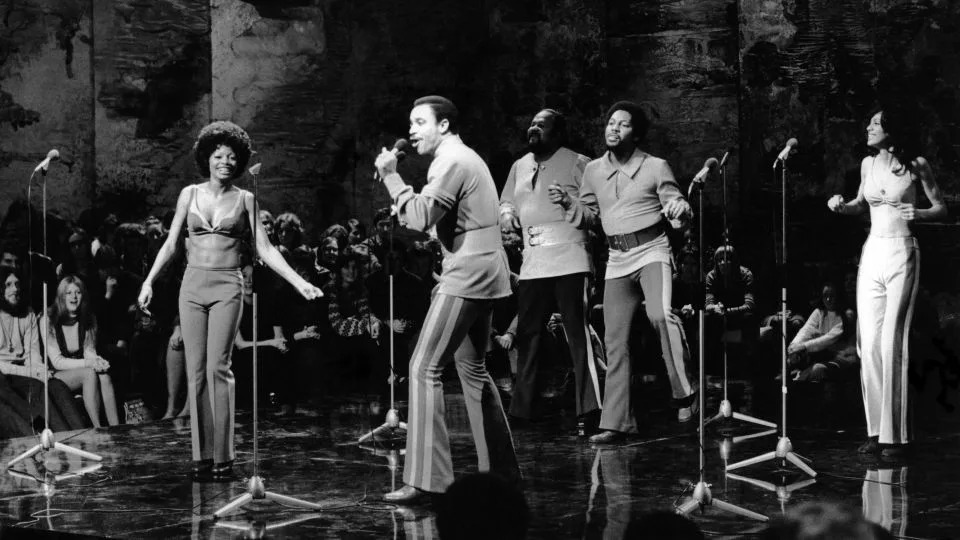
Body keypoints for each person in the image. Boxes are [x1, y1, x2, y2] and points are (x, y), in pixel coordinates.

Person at [137, 120, 322, 482]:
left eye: (231, 157)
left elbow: (265, 249)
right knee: (196, 370)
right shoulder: (189, 194)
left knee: (219, 368)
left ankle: (223, 456)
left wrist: (299, 281)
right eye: (218, 155)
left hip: (227, 286)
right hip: (191, 287)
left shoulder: (245, 199)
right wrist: (148, 282)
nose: (225, 161)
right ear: (206, 157)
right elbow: (172, 244)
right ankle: (201, 456)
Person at [374, 95, 519, 503]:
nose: (411, 130)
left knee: (423, 367)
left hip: (470, 272)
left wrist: (391, 177)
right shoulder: (462, 158)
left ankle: (426, 480)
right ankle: (501, 473)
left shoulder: (453, 160)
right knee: (472, 370)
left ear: (444, 125)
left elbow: (421, 218)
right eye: (410, 122)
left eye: (420, 122)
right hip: (484, 267)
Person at [550, 101, 696, 443]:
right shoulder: (593, 171)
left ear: (638, 133)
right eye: (611, 122)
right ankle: (616, 423)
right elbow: (591, 217)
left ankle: (685, 393)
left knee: (660, 315)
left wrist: (679, 208)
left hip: (652, 251)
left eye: (623, 124)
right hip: (617, 258)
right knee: (615, 341)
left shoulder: (655, 166)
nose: (613, 128)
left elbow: (675, 204)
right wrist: (569, 205)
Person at [827, 107, 946, 457]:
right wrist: (840, 206)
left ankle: (897, 437)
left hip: (902, 251)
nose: (868, 127)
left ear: (893, 129)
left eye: (875, 123)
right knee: (869, 343)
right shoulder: (868, 165)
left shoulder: (916, 165)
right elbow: (860, 204)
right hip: (873, 252)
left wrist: (921, 213)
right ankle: (876, 431)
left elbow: (942, 207)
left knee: (892, 341)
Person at [499, 108, 601, 433]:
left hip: (570, 258)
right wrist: (505, 216)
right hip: (532, 263)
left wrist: (570, 202)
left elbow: (595, 213)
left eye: (540, 125)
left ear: (557, 133)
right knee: (527, 336)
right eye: (531, 123)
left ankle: (591, 409)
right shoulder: (519, 166)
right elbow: (506, 202)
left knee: (577, 336)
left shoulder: (580, 162)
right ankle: (522, 409)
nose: (533, 128)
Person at [0, 267, 87, 434]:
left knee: (57, 386)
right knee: (39, 387)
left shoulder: (28, 313)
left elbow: (33, 354)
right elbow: (1, 366)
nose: (15, 289)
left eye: (17, 284)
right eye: (8, 284)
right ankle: (61, 438)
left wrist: (40, 370)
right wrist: (34, 373)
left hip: (25, 372)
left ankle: (81, 435)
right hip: (5, 375)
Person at [45, 275, 120, 427]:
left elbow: (89, 351)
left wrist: (98, 361)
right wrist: (89, 363)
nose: (74, 297)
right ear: (61, 297)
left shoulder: (88, 318)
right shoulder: (48, 319)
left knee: (104, 376)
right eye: (69, 293)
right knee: (89, 373)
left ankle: (116, 429)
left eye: (78, 292)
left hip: (82, 367)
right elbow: (57, 361)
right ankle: (97, 428)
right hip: (56, 374)